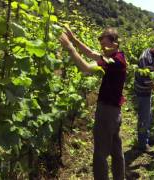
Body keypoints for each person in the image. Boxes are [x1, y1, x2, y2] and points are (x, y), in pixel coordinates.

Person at [59, 27, 126, 180]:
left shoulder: (114, 62)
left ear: (115, 43)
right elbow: (91, 53)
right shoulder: (117, 56)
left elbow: (86, 68)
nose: (102, 48)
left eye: (105, 44)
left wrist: (70, 48)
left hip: (107, 112)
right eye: (101, 45)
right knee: (116, 150)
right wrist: (75, 40)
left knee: (100, 154)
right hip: (115, 112)